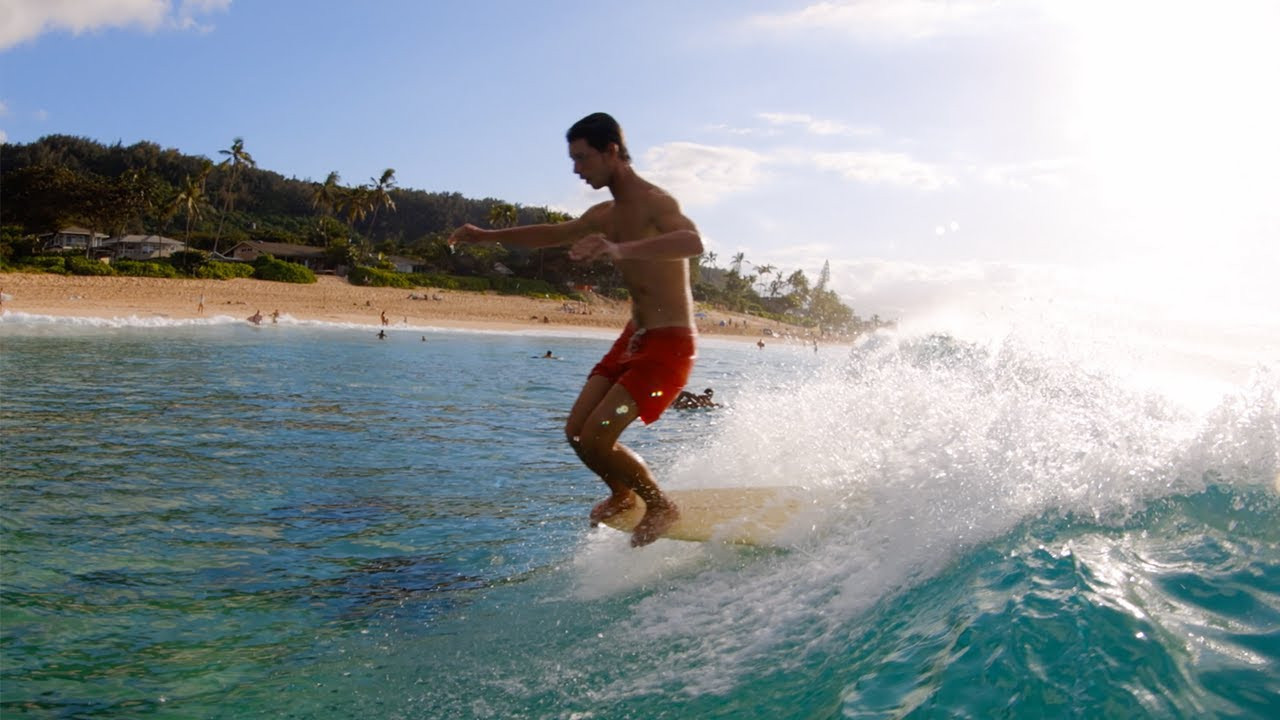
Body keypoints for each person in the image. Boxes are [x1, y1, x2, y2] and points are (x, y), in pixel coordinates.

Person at [449, 112, 703, 546]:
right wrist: (486, 236)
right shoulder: (604, 213)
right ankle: (622, 493)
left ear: (611, 151)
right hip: (633, 338)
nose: (576, 169)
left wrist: (618, 248)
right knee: (577, 434)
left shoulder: (656, 201)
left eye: (582, 158)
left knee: (599, 438)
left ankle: (661, 505)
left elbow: (692, 242)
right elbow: (553, 233)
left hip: (669, 343)